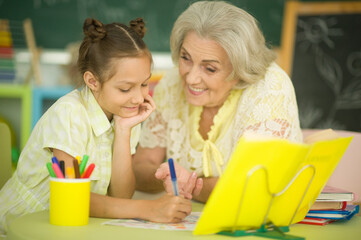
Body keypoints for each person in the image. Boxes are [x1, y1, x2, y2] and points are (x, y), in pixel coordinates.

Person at [0, 17, 191, 236]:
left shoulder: (125, 114)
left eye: (144, 84)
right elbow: (72, 199)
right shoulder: (69, 114)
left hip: (71, 229)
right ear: (92, 81)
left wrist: (123, 130)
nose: (139, 98)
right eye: (126, 89)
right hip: (17, 227)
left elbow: (120, 197)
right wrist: (149, 208)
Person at [133, 1, 303, 203]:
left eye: (210, 69)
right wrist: (169, 178)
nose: (190, 78)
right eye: (186, 58)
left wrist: (189, 184)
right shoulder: (172, 82)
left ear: (240, 72)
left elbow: (250, 188)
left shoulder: (270, 87)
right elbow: (141, 166)